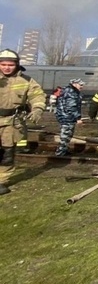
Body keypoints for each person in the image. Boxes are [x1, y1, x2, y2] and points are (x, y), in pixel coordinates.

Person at [0, 49, 46, 195]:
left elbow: (37, 95)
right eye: (3, 64)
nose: (6, 67)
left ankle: (1, 181)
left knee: (7, 153)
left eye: (10, 65)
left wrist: (37, 109)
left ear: (17, 65)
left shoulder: (26, 81)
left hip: (12, 122)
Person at [54, 78, 85, 157]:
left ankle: (64, 150)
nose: (82, 86)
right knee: (65, 136)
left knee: (67, 135)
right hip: (67, 117)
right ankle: (60, 154)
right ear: (74, 84)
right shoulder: (71, 92)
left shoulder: (68, 90)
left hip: (65, 116)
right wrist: (78, 118)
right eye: (80, 85)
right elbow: (71, 107)